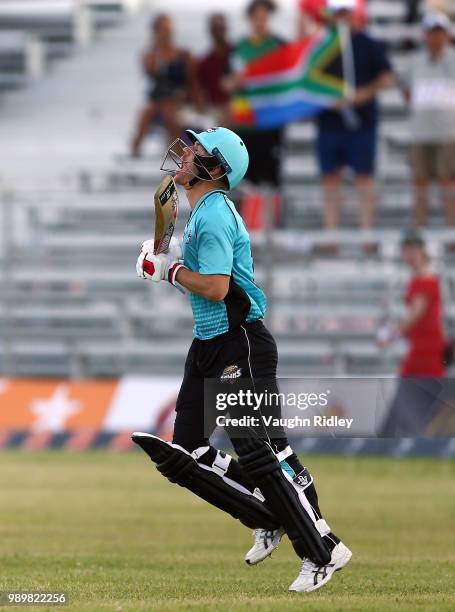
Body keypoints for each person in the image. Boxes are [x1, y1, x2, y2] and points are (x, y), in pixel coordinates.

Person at [133, 126, 351, 592]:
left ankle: (323, 550)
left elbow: (214, 286)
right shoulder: (204, 212)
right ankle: (267, 516)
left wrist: (167, 270)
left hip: (240, 342)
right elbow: (206, 283)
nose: (186, 152)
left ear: (215, 169)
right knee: (186, 453)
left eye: (197, 150)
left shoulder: (212, 216)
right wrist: (166, 260)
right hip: (209, 342)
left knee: (258, 448)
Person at [315, 0, 393, 230]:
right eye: (337, 13)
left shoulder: (368, 44)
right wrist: (326, 97)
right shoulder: (321, 46)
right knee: (330, 178)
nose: (341, 17)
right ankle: (331, 235)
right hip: (330, 122)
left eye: (345, 12)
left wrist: (362, 95)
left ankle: (367, 232)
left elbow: (386, 77)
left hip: (362, 123)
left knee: (364, 177)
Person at [378, 230, 448, 435]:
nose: (409, 255)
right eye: (406, 251)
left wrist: (391, 333)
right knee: (418, 393)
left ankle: (393, 435)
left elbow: (417, 312)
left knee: (417, 392)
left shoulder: (425, 278)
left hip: (427, 349)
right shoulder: (420, 277)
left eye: (413, 250)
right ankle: (391, 434)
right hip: (423, 347)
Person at [399, 12, 455, 227]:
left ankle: (452, 232)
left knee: (448, 185)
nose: (435, 37)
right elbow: (405, 89)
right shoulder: (415, 62)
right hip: (421, 132)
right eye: (431, 32)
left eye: (439, 32)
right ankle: (419, 231)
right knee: (419, 185)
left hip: (448, 133)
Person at [130, 14, 198, 157]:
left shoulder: (182, 54)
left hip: (177, 97)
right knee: (147, 113)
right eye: (164, 30)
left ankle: (180, 153)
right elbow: (150, 70)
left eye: (169, 30)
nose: (167, 34)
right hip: (159, 98)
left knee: (169, 113)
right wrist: (158, 49)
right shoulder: (151, 54)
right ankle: (135, 150)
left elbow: (191, 79)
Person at [196, 14, 232, 124]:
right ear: (211, 31)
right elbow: (201, 91)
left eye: (221, 28)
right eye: (216, 28)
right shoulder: (205, 62)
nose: (219, 32)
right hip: (215, 109)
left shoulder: (237, 53)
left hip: (239, 106)